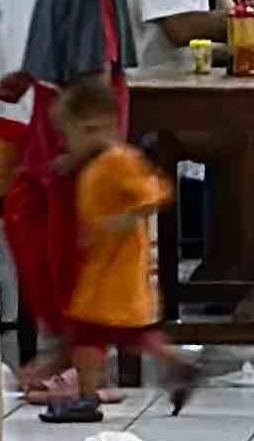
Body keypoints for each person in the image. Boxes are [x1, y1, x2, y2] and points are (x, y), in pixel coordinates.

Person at [0, 0, 127, 387]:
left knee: (76, 249)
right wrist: (26, 76)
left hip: (80, 129)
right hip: (54, 119)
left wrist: (85, 150)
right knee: (31, 226)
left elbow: (97, 67)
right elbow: (61, 43)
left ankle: (84, 368)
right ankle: (63, 347)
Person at [47, 73, 196, 416]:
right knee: (133, 334)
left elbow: (156, 191)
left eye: (95, 131)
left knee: (88, 334)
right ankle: (177, 365)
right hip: (106, 268)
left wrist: (127, 218)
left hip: (116, 269)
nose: (85, 141)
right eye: (75, 135)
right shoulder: (96, 162)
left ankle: (87, 396)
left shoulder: (119, 160)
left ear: (112, 127)